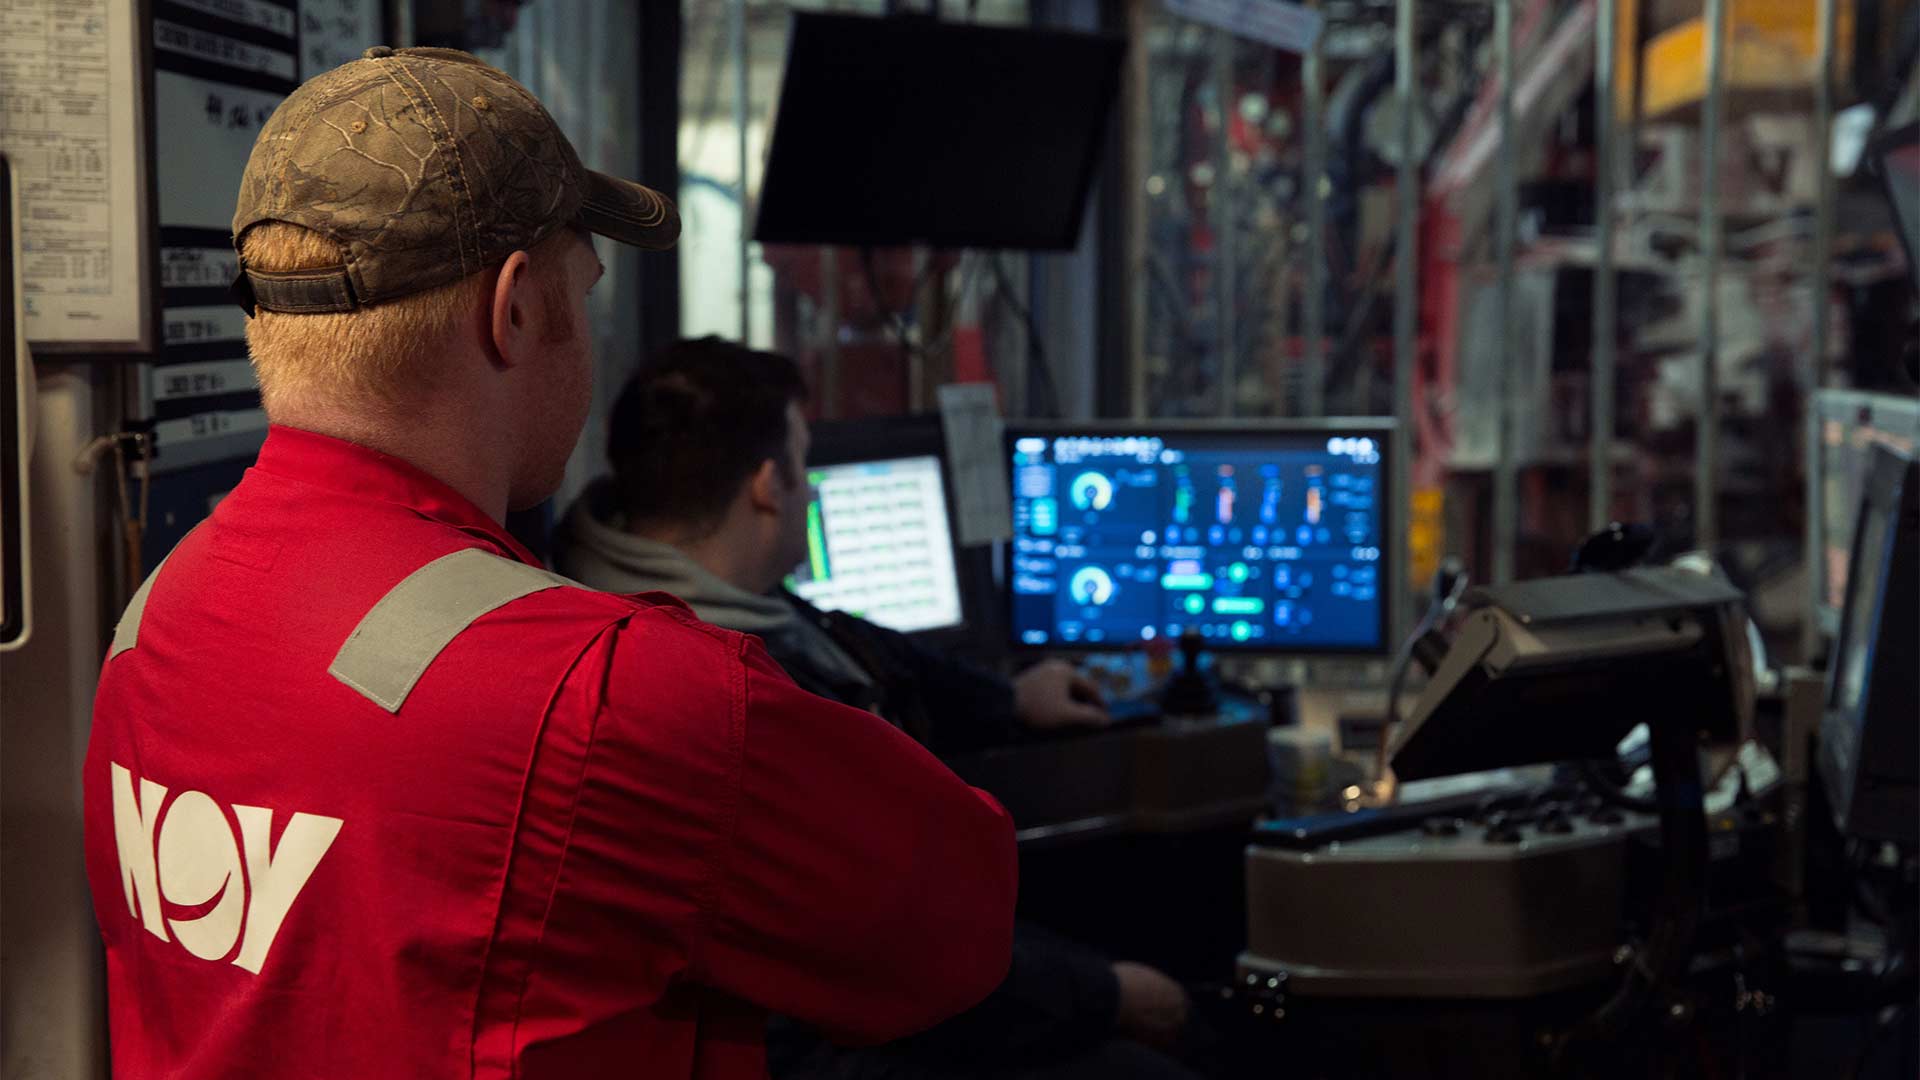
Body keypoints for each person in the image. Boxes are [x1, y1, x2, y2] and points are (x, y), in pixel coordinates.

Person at [83, 48, 1016, 1080]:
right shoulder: (608, 696)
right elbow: (958, 925)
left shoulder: (150, 624)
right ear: (516, 308)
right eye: (591, 289)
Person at [555, 338, 1199, 1080]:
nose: (813, 493)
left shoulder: (705, 593)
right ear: (768, 485)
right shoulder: (721, 686)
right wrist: (1109, 995)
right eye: (804, 464)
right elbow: (897, 949)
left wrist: (1011, 698)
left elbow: (861, 647)